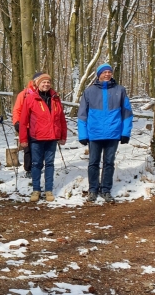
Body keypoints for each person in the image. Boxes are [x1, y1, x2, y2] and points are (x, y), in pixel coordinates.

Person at [78, 63, 133, 203]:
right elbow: (82, 114)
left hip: (113, 133)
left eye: (109, 72)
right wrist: (83, 134)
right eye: (104, 72)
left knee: (109, 163)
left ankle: (106, 190)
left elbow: (127, 113)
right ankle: (93, 190)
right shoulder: (89, 91)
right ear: (99, 75)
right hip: (94, 134)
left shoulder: (120, 90)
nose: (107, 74)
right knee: (93, 163)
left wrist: (125, 133)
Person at [18, 73, 67, 203]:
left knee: (50, 164)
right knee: (36, 164)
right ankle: (36, 190)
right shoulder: (31, 98)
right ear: (38, 84)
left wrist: (63, 135)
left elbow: (61, 118)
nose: (46, 84)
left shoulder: (55, 98)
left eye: (48, 82)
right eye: (43, 82)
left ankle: (48, 190)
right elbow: (23, 121)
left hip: (52, 137)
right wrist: (23, 139)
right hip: (36, 137)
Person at [12, 75, 40, 178]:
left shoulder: (44, 93)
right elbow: (17, 110)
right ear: (33, 81)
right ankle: (29, 169)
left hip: (39, 126)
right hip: (26, 125)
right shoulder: (23, 94)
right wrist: (16, 122)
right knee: (27, 148)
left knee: (38, 148)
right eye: (37, 80)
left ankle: (38, 166)